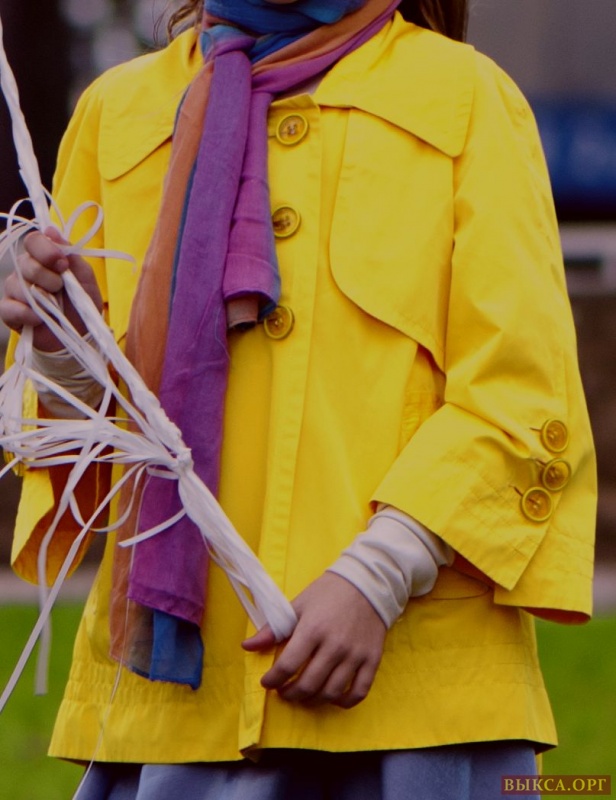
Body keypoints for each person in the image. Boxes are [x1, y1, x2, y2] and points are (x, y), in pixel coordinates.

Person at [0, 0, 596, 798]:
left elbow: (523, 392)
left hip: (415, 709)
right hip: (177, 721)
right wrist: (60, 346)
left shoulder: (467, 97)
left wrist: (378, 576)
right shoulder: (118, 112)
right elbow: (95, 459)